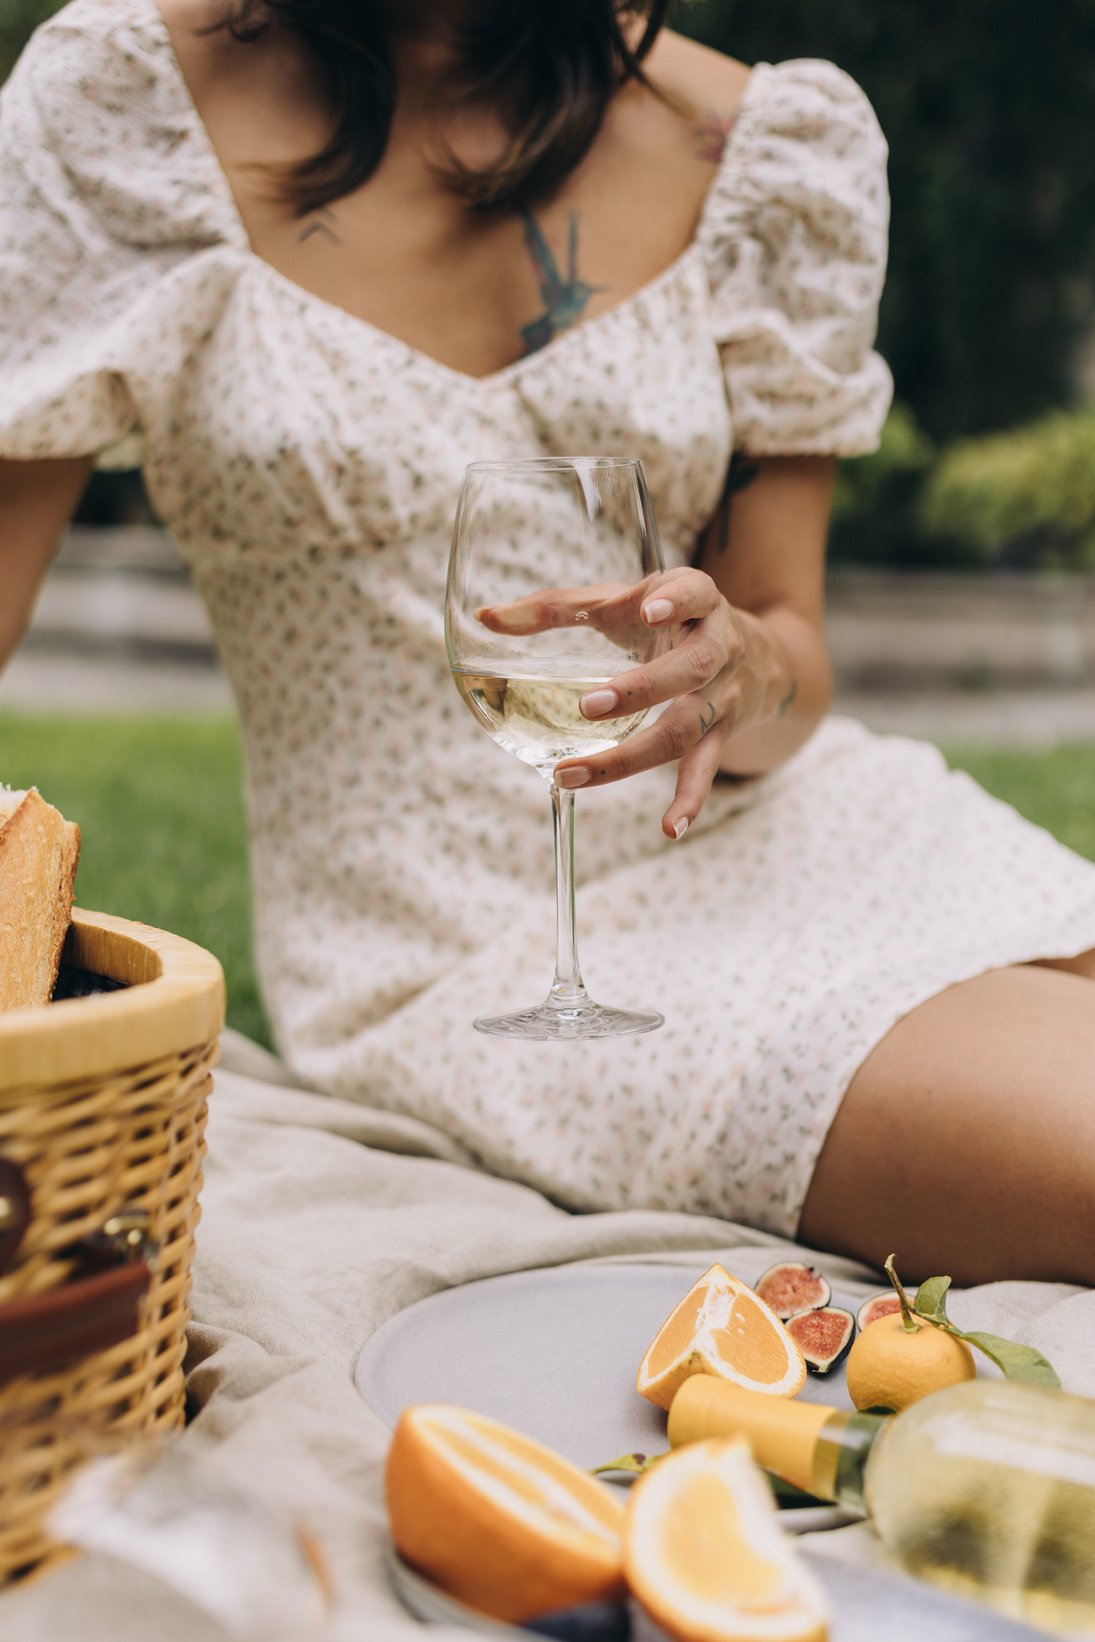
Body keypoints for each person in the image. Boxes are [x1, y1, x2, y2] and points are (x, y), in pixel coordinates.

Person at [2, 0, 1094, 1287]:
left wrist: (743, 665)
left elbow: (788, 646)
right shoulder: (126, 104)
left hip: (804, 827)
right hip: (461, 948)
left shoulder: (761, 145)